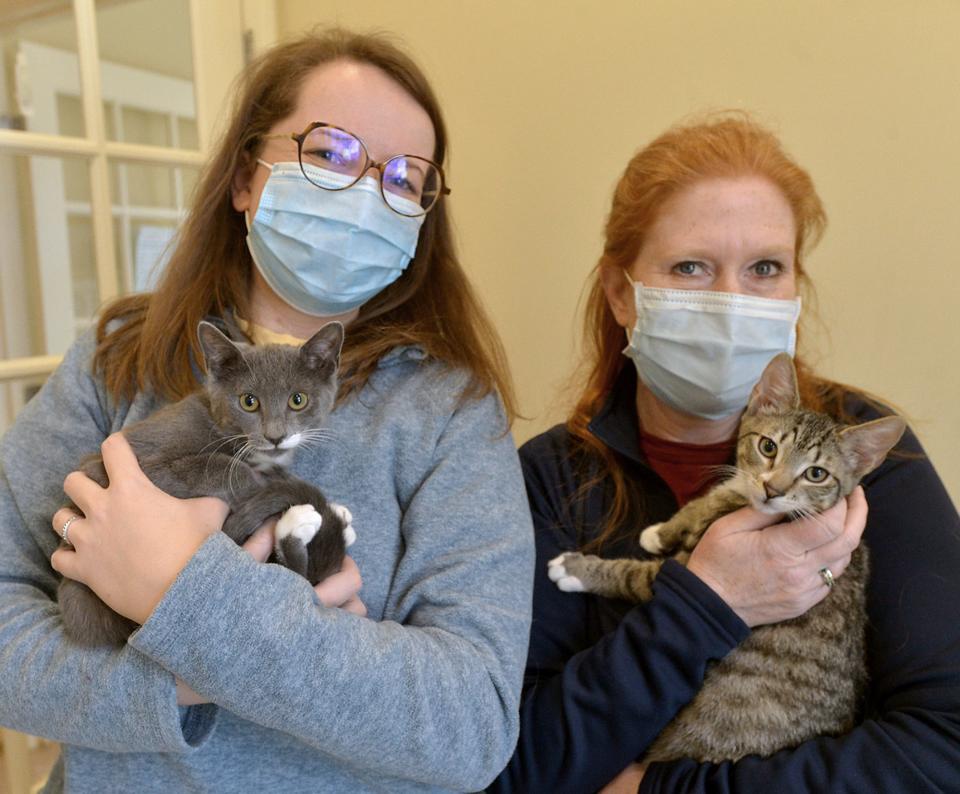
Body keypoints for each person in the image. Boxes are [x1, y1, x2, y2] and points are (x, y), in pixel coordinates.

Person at [0, 29, 534, 792]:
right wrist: (173, 687)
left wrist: (185, 598)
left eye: (404, 178)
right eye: (332, 154)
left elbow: (473, 724)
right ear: (246, 177)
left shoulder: (451, 413)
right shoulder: (114, 362)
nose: (365, 193)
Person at [491, 115, 960, 792]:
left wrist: (656, 791)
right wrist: (708, 599)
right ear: (621, 292)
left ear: (796, 288)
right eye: (690, 267)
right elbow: (512, 764)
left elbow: (943, 747)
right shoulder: (549, 478)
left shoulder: (871, 457)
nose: (730, 301)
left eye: (765, 268)